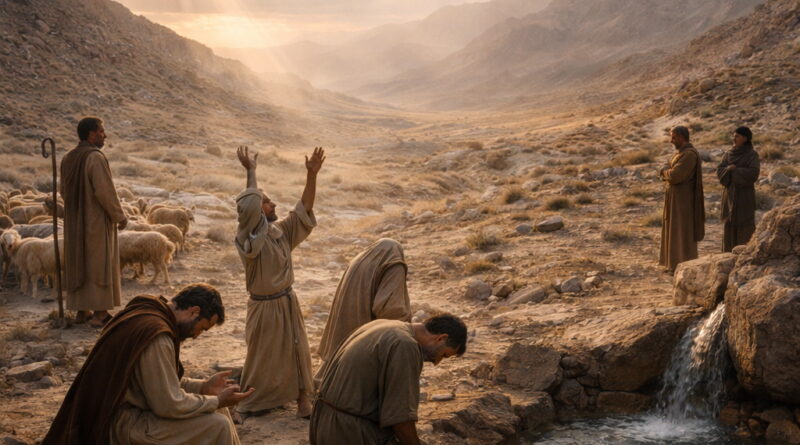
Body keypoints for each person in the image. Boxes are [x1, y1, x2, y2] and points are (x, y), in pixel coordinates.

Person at [42, 283, 253, 445]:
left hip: (120, 411)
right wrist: (215, 401)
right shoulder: (157, 335)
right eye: (202, 328)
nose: (197, 335)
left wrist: (203, 387)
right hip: (120, 424)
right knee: (218, 425)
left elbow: (157, 381)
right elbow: (168, 405)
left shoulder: (148, 310)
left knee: (218, 410)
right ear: (194, 312)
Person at [234, 145, 325, 418]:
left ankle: (301, 400)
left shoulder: (280, 231)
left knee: (298, 351)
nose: (273, 205)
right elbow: (249, 205)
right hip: (263, 307)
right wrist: (251, 172)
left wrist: (312, 175)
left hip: (287, 300)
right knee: (262, 356)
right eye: (266, 202)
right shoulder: (249, 238)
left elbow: (304, 208)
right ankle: (250, 400)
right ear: (255, 210)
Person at [310, 314, 468, 445]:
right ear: (440, 339)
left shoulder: (383, 325)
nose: (437, 362)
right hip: (349, 433)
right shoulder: (404, 345)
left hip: (322, 424)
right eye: (444, 355)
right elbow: (400, 418)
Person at [60, 117, 127, 327]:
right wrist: (120, 216)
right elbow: (105, 192)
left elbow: (63, 191)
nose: (104, 135)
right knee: (99, 264)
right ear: (90, 134)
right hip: (95, 221)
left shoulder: (68, 158)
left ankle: (82, 311)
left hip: (74, 221)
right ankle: (100, 314)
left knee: (79, 261)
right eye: (101, 131)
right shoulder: (95, 158)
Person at [316, 238, 411, 369]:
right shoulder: (393, 263)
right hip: (362, 345)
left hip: (340, 338)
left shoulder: (360, 260)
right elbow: (389, 310)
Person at [659, 125, 705, 272]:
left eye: (673, 137)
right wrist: (667, 171)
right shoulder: (679, 154)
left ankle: (685, 265)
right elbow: (667, 167)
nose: (671, 141)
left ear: (681, 137)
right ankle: (673, 264)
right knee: (673, 230)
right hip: (675, 200)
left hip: (684, 201)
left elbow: (675, 175)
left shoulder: (689, 155)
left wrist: (665, 172)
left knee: (682, 231)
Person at [716, 126, 760, 252]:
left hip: (744, 196)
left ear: (745, 138)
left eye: (737, 136)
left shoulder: (752, 155)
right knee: (729, 223)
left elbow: (754, 173)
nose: (734, 139)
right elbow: (719, 170)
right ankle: (727, 254)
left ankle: (744, 255)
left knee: (744, 224)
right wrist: (728, 170)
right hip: (729, 194)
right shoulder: (728, 153)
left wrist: (736, 171)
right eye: (734, 136)